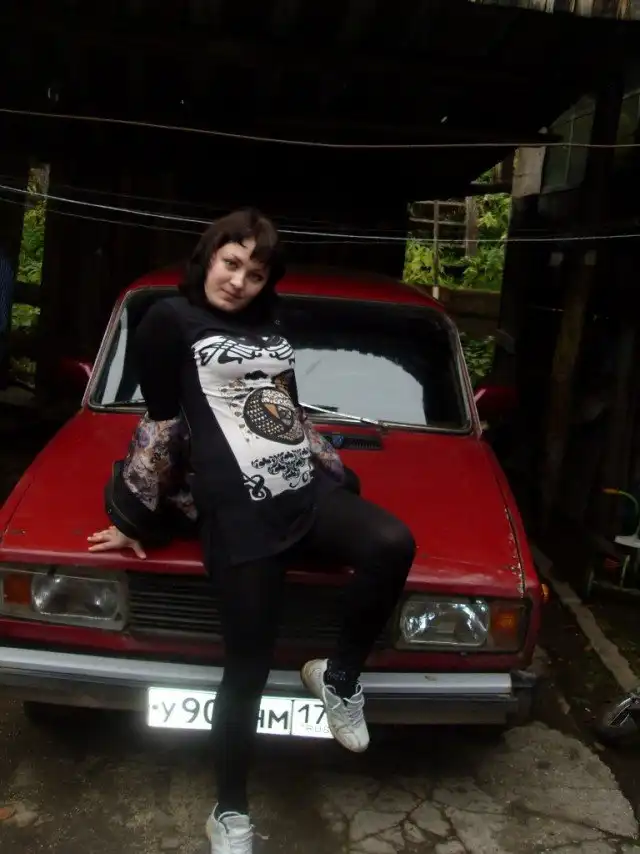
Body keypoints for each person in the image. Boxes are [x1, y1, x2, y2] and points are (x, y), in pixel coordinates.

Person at [88, 209, 416, 854]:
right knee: (248, 670)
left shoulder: (270, 327)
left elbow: (287, 410)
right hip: (238, 516)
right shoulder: (169, 320)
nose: (239, 281)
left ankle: (338, 677)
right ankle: (230, 812)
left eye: (255, 273)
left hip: (304, 490)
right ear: (209, 258)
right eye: (231, 263)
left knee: (391, 543)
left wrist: (335, 470)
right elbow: (162, 421)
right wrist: (133, 513)